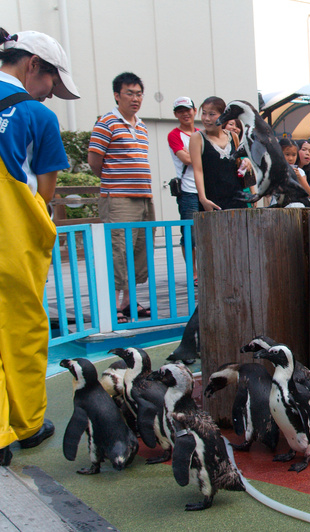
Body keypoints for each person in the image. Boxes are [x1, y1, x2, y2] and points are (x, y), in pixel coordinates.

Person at [0, 27, 80, 465]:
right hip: (10, 237)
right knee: (22, 328)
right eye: (52, 81)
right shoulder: (37, 116)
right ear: (33, 64)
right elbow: (45, 193)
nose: (51, 93)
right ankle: (27, 425)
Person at [89, 72, 154, 322]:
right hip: (118, 198)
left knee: (139, 250)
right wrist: (113, 181)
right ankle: (112, 305)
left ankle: (128, 301)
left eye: (139, 94)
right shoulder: (107, 122)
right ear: (117, 95)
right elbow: (94, 160)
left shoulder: (142, 125)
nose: (135, 98)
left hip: (143, 196)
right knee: (117, 250)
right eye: (129, 93)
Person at [190, 96, 253, 212]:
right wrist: (203, 199)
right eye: (204, 113)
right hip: (212, 201)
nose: (206, 118)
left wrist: (246, 161)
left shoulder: (233, 136)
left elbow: (237, 163)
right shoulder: (197, 138)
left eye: (212, 114)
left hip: (237, 199)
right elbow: (197, 170)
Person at [167, 96, 199, 285]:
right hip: (187, 190)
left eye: (188, 110)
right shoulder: (174, 135)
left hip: (205, 189)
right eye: (180, 111)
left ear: (195, 111)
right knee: (190, 233)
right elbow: (186, 159)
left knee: (206, 232)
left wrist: (192, 155)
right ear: (175, 114)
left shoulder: (200, 134)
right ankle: (193, 272)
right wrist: (198, 155)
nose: (185, 114)